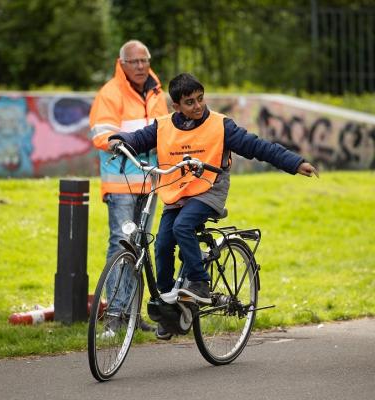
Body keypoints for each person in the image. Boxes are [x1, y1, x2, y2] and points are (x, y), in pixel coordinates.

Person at [108, 73, 318, 339]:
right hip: (176, 193)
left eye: (200, 99)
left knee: (183, 226)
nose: (198, 106)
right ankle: (169, 307)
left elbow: (257, 146)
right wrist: (120, 140)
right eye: (189, 102)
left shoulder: (221, 125)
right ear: (176, 106)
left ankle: (199, 283)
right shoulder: (162, 126)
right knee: (162, 242)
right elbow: (137, 138)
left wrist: (294, 163)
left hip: (209, 190)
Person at [89, 40, 168, 332]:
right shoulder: (110, 93)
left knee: (140, 248)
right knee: (121, 245)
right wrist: (120, 141)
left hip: (149, 183)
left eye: (144, 60)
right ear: (121, 64)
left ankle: (133, 315)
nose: (140, 66)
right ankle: (116, 315)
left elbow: (165, 130)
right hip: (121, 182)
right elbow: (102, 133)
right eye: (134, 61)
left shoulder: (157, 92)